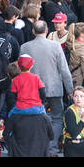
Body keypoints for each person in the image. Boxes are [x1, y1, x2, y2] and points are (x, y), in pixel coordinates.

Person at [18, 19, 73, 148]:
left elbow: (21, 70)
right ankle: (52, 146)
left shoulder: (25, 47)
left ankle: (36, 144)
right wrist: (70, 89)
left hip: (33, 90)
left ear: (33, 31)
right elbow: (64, 70)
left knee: (33, 117)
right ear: (47, 30)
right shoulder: (56, 46)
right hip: (54, 88)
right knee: (57, 118)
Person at [62, 87, 84, 157]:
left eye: (81, 96)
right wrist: (83, 119)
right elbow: (73, 133)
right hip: (73, 150)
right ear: (73, 98)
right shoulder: (70, 112)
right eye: (76, 96)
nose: (78, 99)